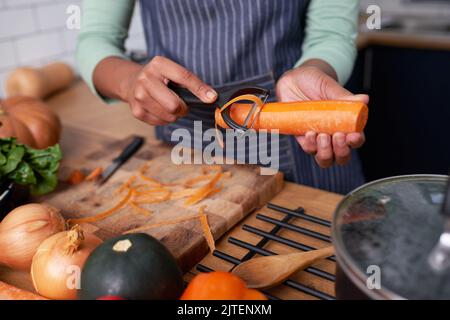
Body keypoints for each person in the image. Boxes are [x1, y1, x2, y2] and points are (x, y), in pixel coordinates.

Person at [76, 0, 369, 194]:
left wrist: (312, 71)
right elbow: (95, 40)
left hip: (298, 136)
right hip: (184, 147)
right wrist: (129, 82)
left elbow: (331, 35)